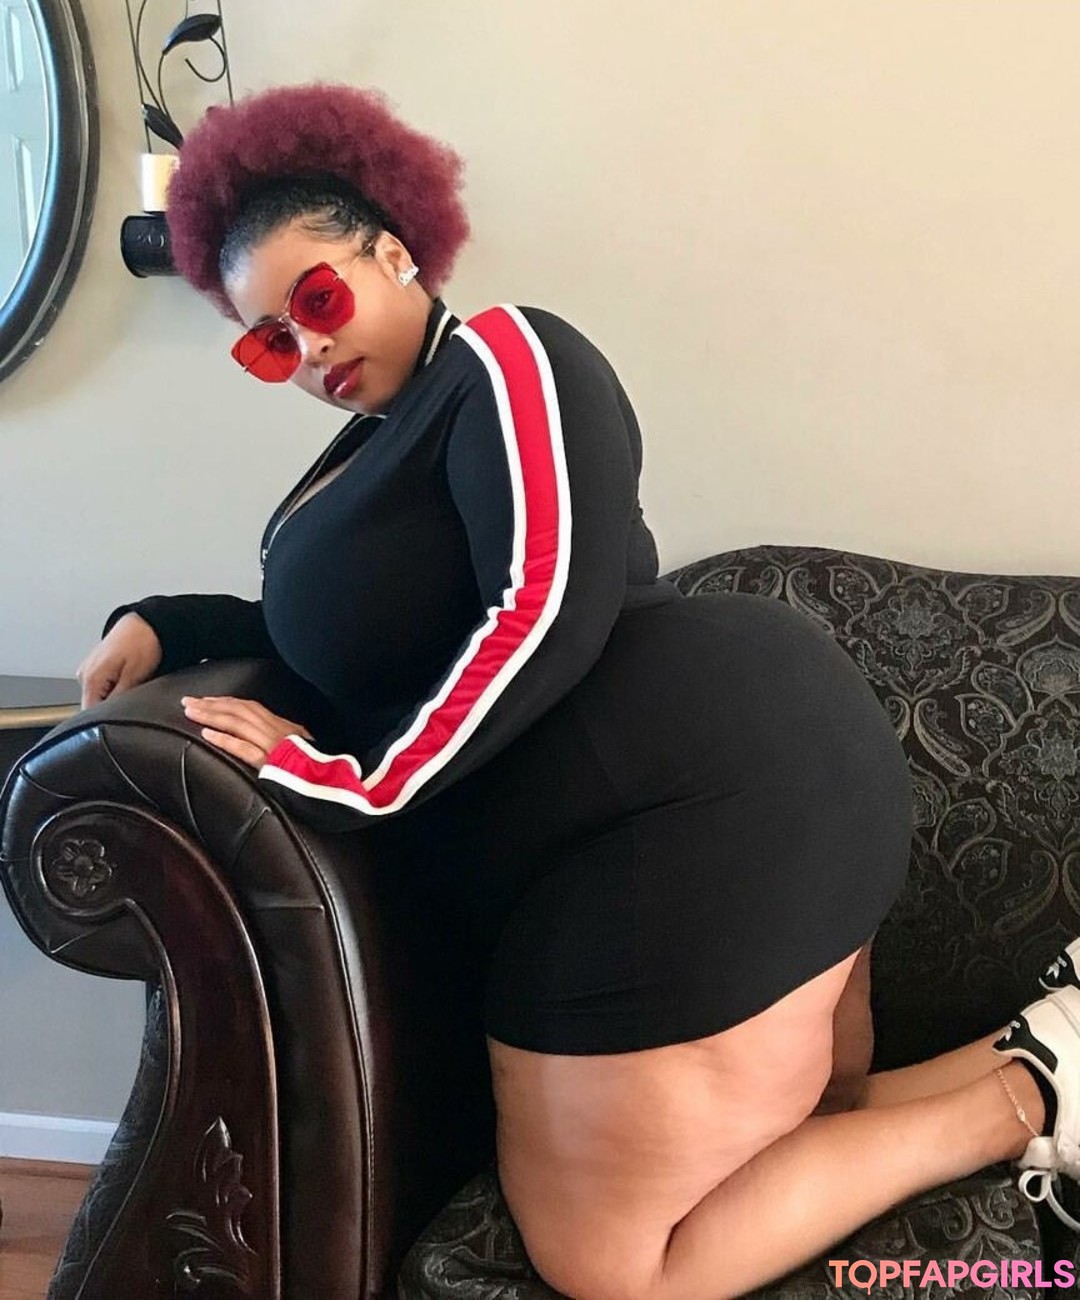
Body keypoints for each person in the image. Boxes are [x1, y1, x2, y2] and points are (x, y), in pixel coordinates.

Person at [74, 82, 1080, 1299]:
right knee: (808, 1119)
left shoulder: (507, 356)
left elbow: (546, 600)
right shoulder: (362, 453)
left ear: (393, 252)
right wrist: (168, 620)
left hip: (711, 790)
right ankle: (1057, 1049)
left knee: (620, 1268)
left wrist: (360, 783)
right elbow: (342, 646)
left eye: (319, 300)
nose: (309, 350)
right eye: (269, 343)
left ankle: (1026, 1101)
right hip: (652, 809)